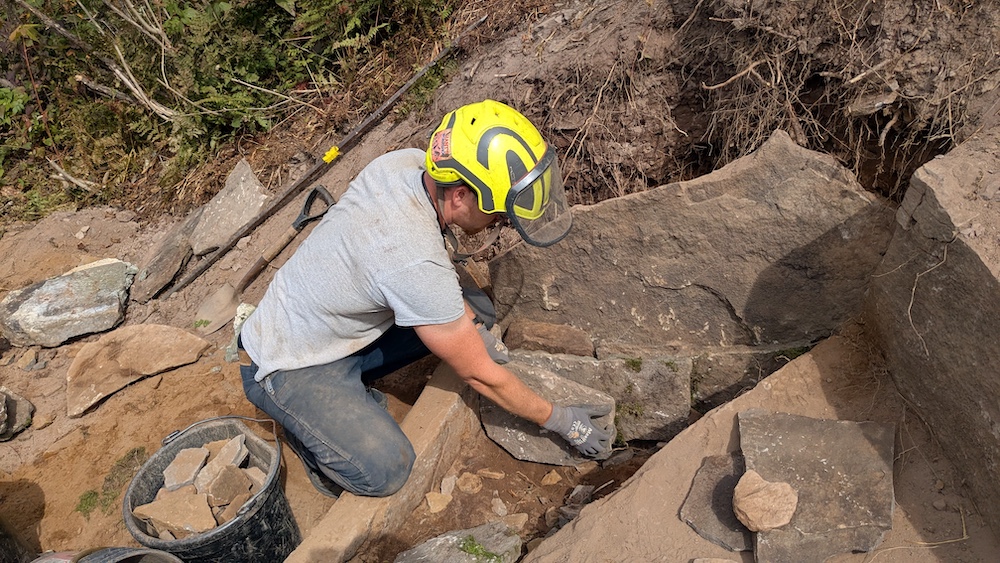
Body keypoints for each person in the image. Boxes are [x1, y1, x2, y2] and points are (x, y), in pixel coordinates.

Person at [238, 99, 612, 497]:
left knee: (476, 310)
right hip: (287, 362)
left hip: (329, 320)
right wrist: (560, 419)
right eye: (498, 213)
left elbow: (425, 275)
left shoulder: (409, 164)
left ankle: (352, 390)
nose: (500, 221)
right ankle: (315, 439)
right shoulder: (409, 257)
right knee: (385, 469)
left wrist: (471, 330)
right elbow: (479, 375)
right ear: (461, 197)